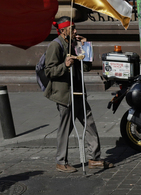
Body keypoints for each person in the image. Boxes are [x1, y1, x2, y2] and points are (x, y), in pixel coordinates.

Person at [44, 17, 114, 173]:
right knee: (65, 128)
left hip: (78, 92)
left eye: (75, 28)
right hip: (65, 95)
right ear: (63, 30)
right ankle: (61, 161)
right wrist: (65, 65)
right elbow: (49, 71)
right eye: (72, 28)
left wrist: (85, 45)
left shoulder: (73, 44)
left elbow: (87, 66)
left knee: (89, 123)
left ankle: (94, 158)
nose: (75, 31)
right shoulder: (55, 46)